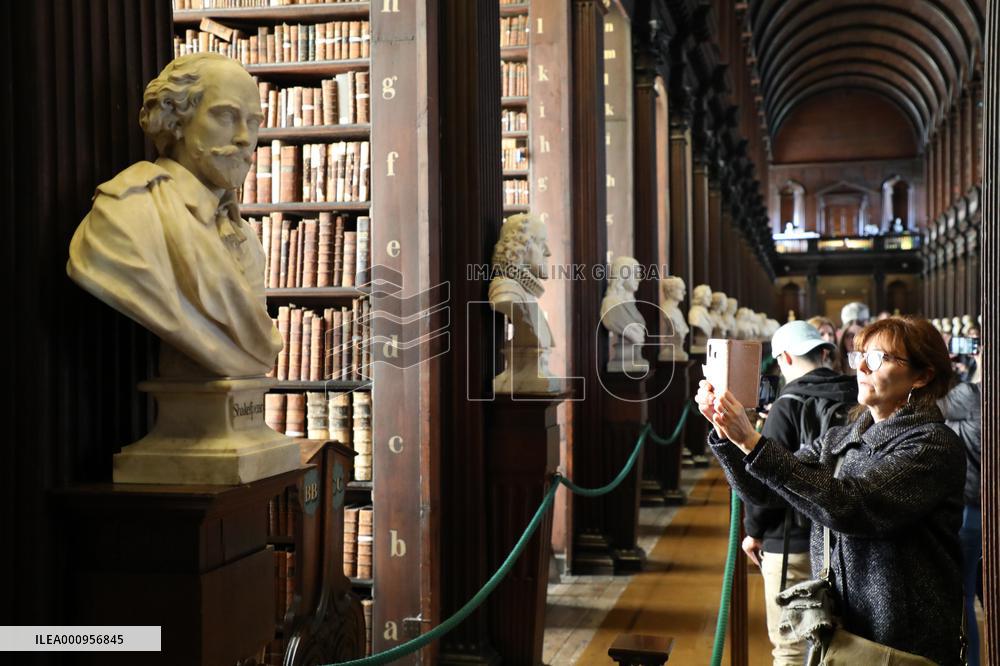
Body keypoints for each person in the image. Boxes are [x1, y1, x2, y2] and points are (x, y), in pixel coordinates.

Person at [696, 316, 964, 665]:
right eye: (860, 355)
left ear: (922, 375)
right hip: (845, 633)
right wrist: (728, 437)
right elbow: (766, 493)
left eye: (879, 358)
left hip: (904, 641)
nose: (862, 366)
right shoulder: (845, 437)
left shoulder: (932, 444)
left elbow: (851, 505)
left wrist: (752, 440)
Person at [67, 52, 280, 378]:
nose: (244, 138)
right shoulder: (126, 216)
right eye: (225, 116)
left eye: (253, 122)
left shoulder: (245, 237)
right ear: (175, 120)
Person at [742, 322, 857, 666]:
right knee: (844, 646)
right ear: (824, 353)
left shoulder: (786, 405)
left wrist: (753, 532)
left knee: (789, 647)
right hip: (846, 541)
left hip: (790, 541)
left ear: (785, 358)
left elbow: (764, 483)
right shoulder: (858, 396)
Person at [938, 373, 982, 666]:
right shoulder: (983, 398)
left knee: (961, 596)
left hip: (967, 508)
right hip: (982, 508)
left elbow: (928, 408)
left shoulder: (967, 395)